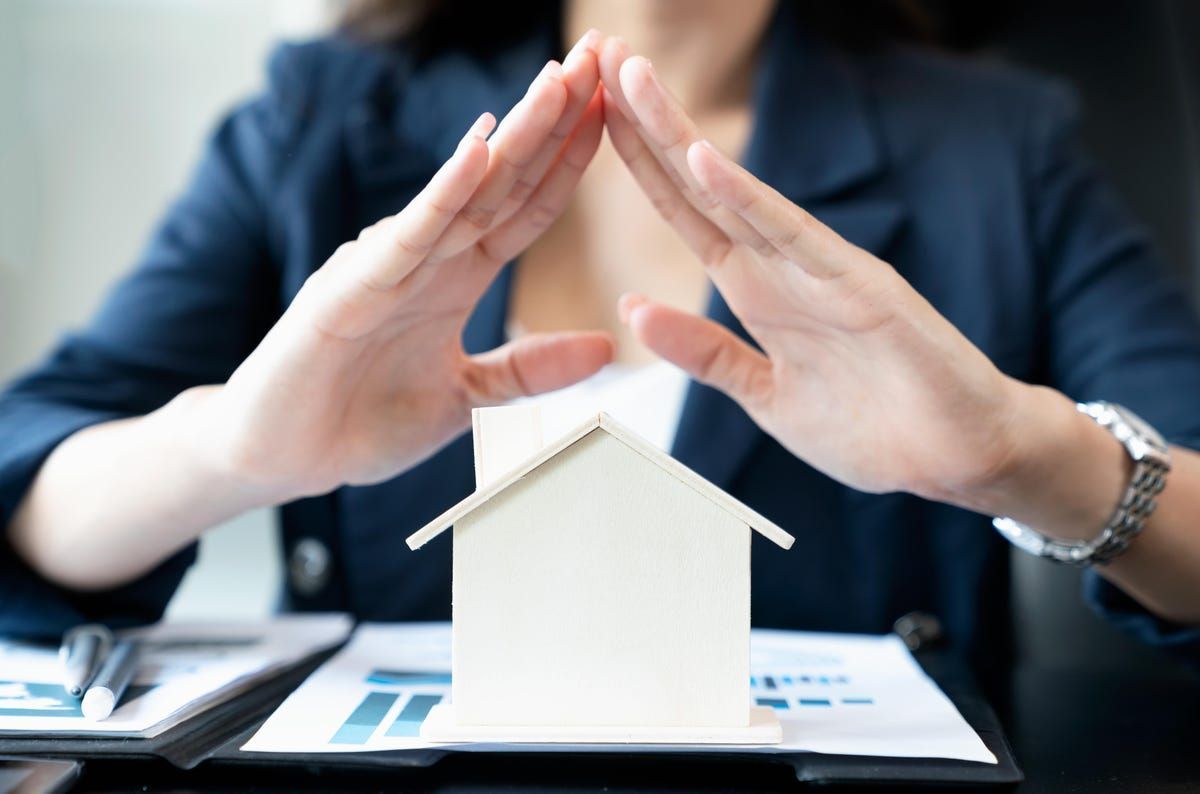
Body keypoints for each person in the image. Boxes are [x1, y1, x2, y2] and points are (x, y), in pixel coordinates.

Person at [2, 0, 1199, 681]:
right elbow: (34, 466)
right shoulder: (321, 115)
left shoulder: (997, 145)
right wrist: (228, 454)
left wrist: (1028, 458)